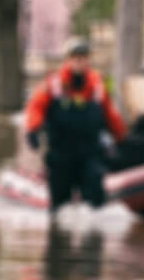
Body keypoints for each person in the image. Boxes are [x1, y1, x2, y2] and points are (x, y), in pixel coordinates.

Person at [24, 39, 126, 210]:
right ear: (68, 60)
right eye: (76, 57)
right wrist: (33, 129)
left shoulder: (96, 85)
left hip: (89, 153)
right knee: (59, 204)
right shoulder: (53, 84)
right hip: (61, 153)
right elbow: (35, 106)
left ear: (88, 60)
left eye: (83, 57)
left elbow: (110, 114)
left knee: (95, 198)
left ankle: (94, 233)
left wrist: (122, 138)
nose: (80, 61)